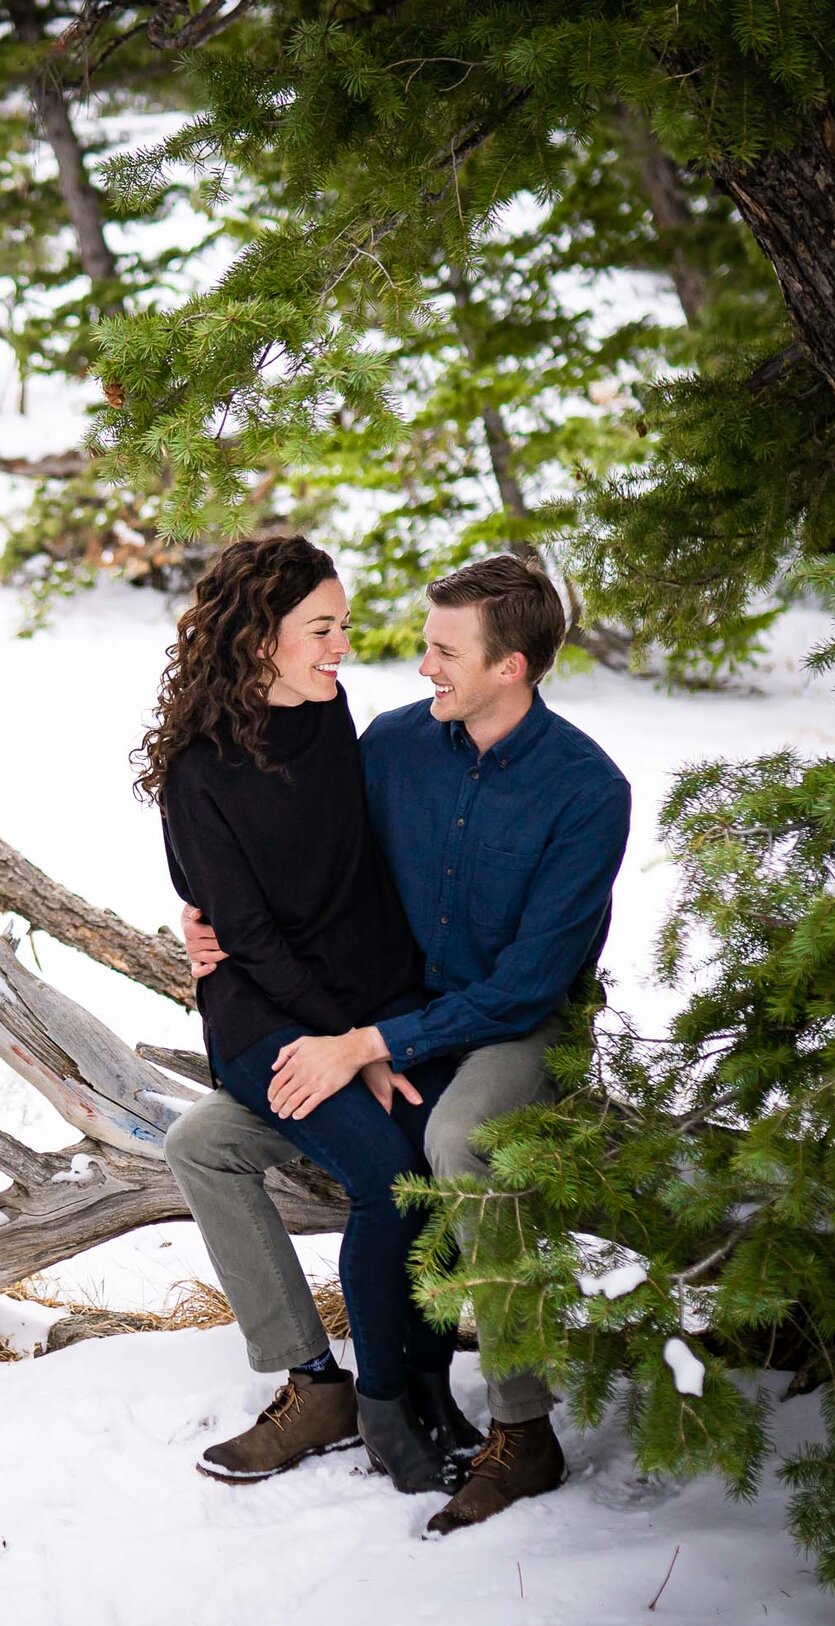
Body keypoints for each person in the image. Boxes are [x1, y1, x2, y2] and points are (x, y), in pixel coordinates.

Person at [168, 551, 631, 1534]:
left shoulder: (587, 791)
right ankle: (315, 1381)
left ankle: (521, 1426)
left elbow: (525, 986)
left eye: (443, 651)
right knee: (200, 1142)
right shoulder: (387, 744)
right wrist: (199, 917)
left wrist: (363, 1041)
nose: (421, 667)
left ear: (511, 667)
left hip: (508, 1025)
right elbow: (291, 849)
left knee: (454, 1143)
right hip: (380, 1007)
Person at [141, 535, 463, 1495]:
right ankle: (350, 1396)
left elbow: (344, 884)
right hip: (266, 1020)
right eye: (321, 628)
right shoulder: (199, 773)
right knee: (387, 1174)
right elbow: (253, 938)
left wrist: (379, 1031)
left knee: (436, 1152)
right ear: (258, 639)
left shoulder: (328, 716)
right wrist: (354, 1050)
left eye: (344, 625)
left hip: (371, 998)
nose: (341, 646)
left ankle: (432, 1385)